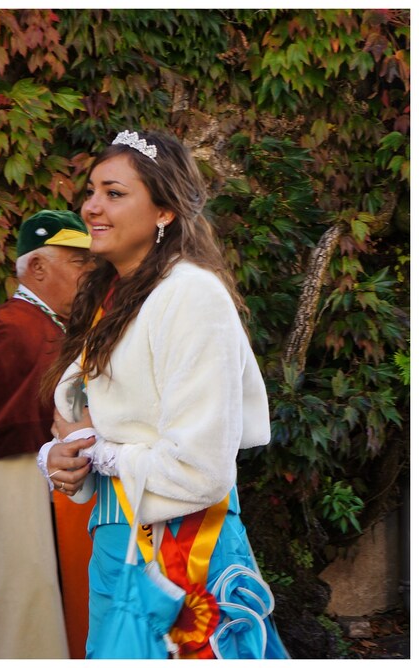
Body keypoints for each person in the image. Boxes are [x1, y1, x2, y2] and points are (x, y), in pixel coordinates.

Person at [37, 130, 290, 659]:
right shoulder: (111, 299)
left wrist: (102, 453)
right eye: (90, 192)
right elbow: (100, 423)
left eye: (114, 192)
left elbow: (201, 467)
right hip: (115, 543)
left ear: (165, 212)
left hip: (180, 546)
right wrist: (65, 457)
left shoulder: (192, 294)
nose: (91, 207)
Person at [0, 210, 94, 659]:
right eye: (80, 262)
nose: (92, 273)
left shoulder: (48, 326)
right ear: (39, 268)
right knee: (18, 612)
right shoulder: (9, 330)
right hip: (17, 510)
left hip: (50, 504)